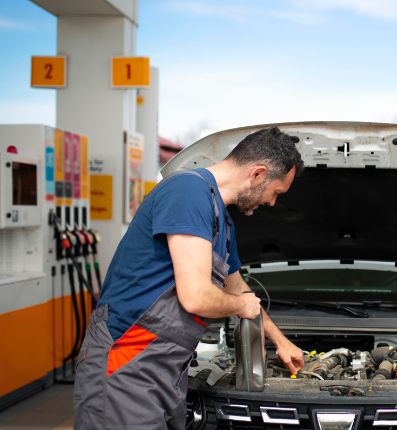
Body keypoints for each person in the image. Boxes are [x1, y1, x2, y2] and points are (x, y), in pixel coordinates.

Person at [74, 127, 306, 429]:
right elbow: (196, 295)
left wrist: (281, 341)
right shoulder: (186, 192)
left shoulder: (220, 218)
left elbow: (240, 290)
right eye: (276, 193)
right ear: (258, 174)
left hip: (165, 368)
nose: (272, 203)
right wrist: (239, 307)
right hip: (127, 362)